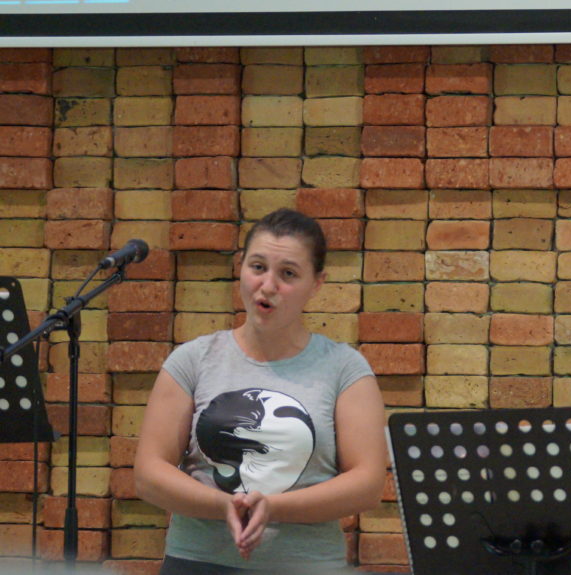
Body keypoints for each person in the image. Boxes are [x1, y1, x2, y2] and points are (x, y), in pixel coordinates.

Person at [134, 208, 387, 574]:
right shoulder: (193, 359)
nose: (268, 286)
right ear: (241, 267)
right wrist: (222, 505)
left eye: (288, 274)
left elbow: (367, 484)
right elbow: (149, 473)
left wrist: (274, 507)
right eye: (257, 267)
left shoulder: (345, 368)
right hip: (198, 562)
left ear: (317, 283)